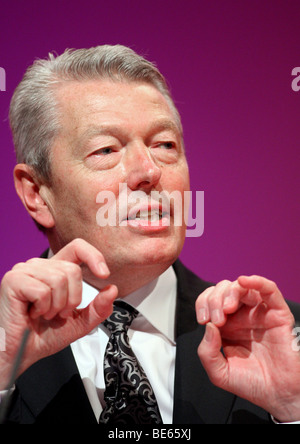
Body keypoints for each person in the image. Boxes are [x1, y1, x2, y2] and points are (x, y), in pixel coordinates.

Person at [0, 45, 300, 424]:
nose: (148, 170)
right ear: (36, 193)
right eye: (105, 149)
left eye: (164, 145)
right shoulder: (2, 348)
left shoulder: (285, 340)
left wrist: (292, 412)